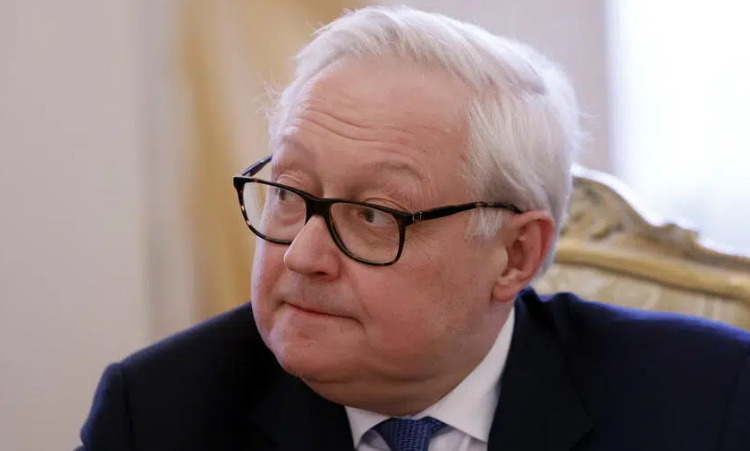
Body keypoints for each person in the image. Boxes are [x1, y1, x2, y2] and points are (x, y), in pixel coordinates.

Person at [78, 6, 750, 451]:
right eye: (288, 193)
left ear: (515, 254)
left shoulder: (708, 402)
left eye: (373, 215)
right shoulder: (159, 415)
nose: (304, 255)